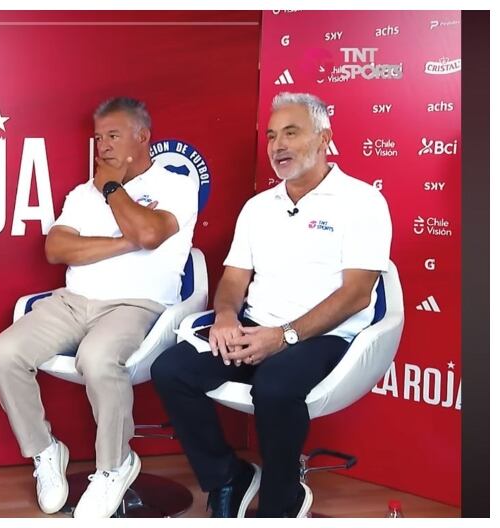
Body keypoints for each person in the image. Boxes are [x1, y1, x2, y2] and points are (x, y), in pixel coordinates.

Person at [150, 92, 392, 518]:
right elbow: (234, 279)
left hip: (324, 337)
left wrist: (284, 336)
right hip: (255, 324)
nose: (278, 146)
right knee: (171, 370)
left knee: (275, 386)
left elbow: (356, 293)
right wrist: (226, 317)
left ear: (324, 139)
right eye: (272, 136)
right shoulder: (258, 208)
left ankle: (283, 500)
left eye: (291, 133)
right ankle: (227, 476)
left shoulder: (362, 202)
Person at [0, 97, 198, 518]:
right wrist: (125, 243)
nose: (103, 146)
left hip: (135, 304)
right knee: (4, 354)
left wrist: (113, 189)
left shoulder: (174, 184)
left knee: (98, 359)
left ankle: (115, 465)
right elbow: (57, 248)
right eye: (99, 138)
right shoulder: (83, 193)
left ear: (142, 136)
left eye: (113, 136)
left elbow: (150, 234)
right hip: (73, 302)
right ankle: (45, 450)